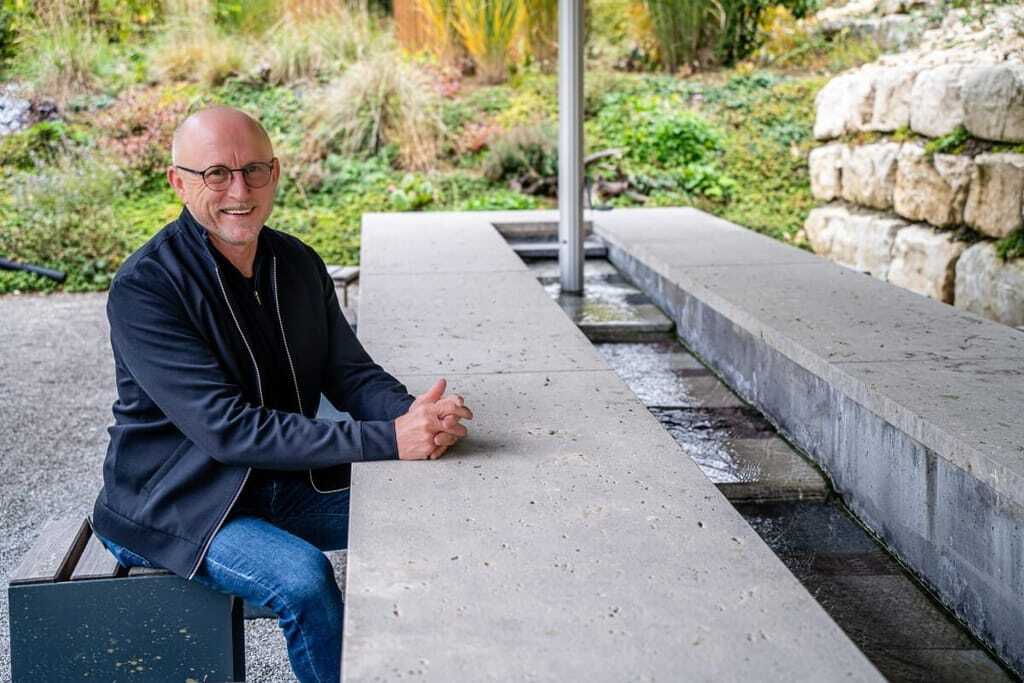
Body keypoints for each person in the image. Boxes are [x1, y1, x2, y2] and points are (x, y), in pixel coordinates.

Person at [89, 106, 473, 683]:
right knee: (303, 580)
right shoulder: (146, 287)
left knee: (432, 512)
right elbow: (230, 429)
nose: (239, 191)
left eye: (254, 170)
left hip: (276, 482)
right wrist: (391, 439)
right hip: (177, 505)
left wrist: (417, 415)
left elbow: (351, 373)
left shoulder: (295, 262)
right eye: (216, 174)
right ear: (178, 182)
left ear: (275, 172)